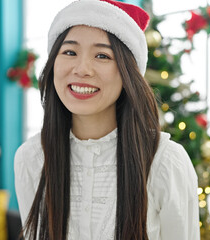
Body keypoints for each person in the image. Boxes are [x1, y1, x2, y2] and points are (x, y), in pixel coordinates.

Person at [14, 0, 200, 239]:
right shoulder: (30, 159)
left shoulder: (165, 162)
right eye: (69, 52)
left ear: (127, 73)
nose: (82, 69)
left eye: (102, 55)